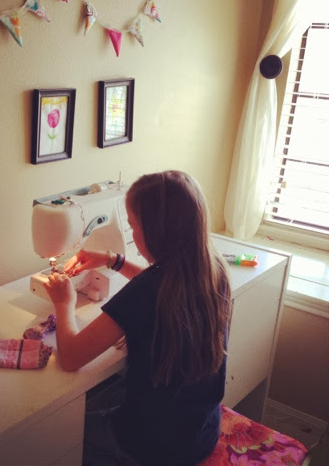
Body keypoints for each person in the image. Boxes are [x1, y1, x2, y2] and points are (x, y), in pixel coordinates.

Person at [43, 171, 232, 466]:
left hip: (151, 448)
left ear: (155, 232)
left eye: (132, 226)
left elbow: (70, 357)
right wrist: (113, 260)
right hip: (200, 433)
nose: (131, 234)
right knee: (106, 396)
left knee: (55, 434)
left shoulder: (145, 291)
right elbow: (165, 287)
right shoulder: (212, 270)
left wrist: (64, 303)